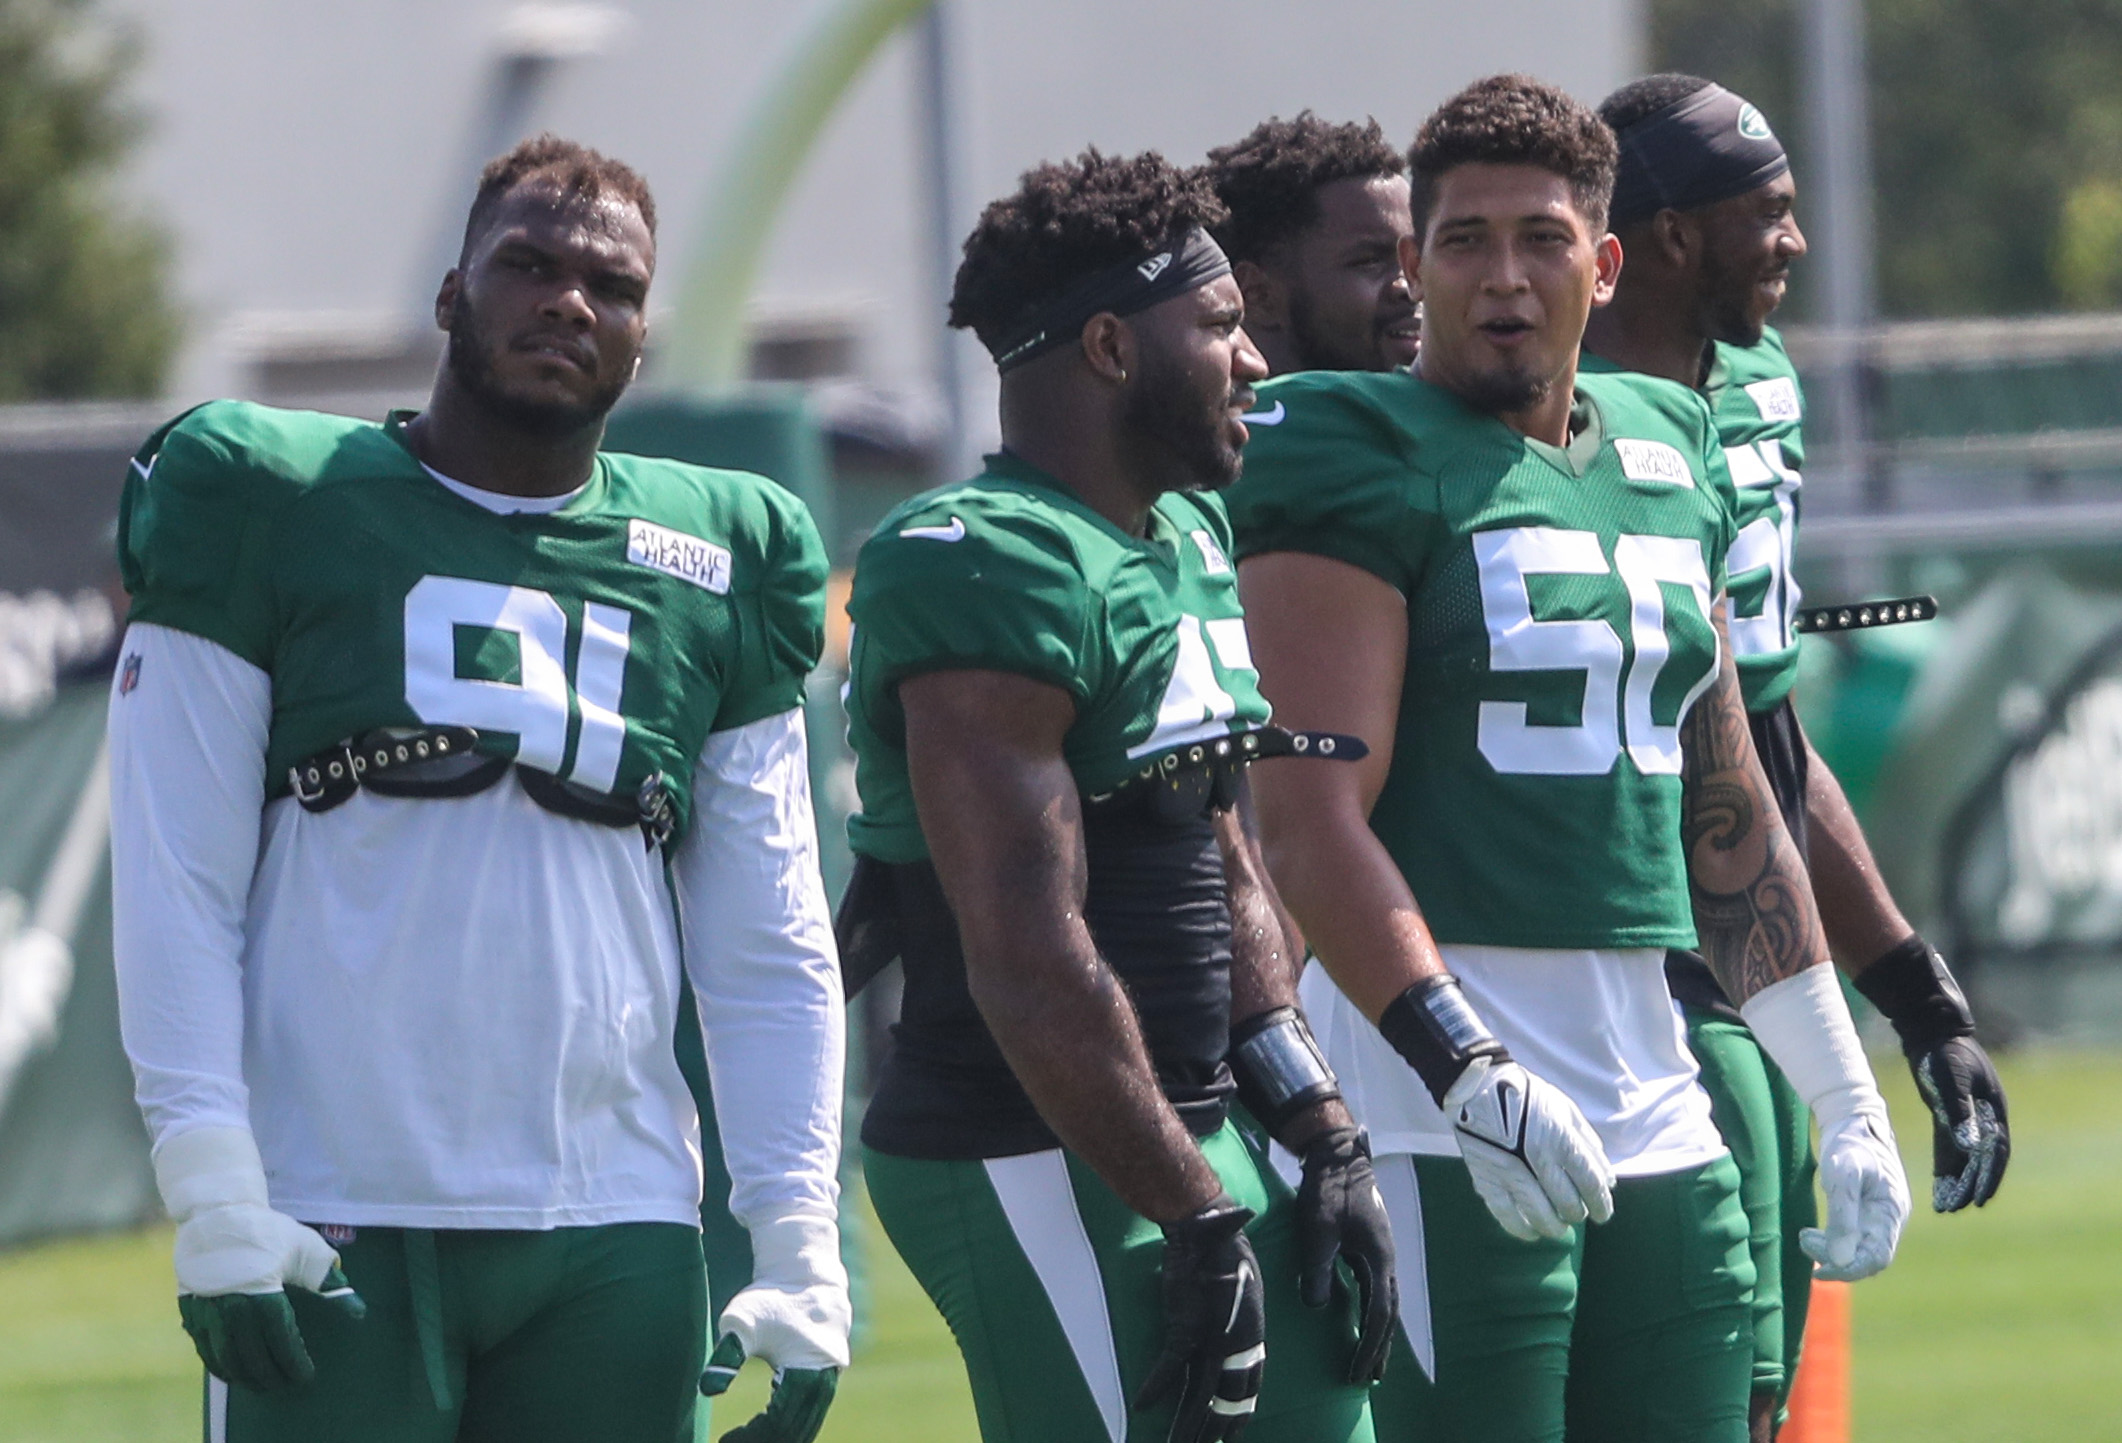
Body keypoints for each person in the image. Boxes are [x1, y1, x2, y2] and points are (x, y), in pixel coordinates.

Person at [108, 136, 849, 1443]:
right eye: (530, 264)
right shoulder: (272, 499)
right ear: (450, 293)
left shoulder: (716, 555)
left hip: (614, 1220)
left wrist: (797, 1232)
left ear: (642, 336)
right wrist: (212, 1180)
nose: (570, 300)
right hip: (333, 1199)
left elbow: (770, 941)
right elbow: (177, 876)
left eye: (612, 286)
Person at [1225, 74, 1911, 1443]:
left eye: (1539, 239)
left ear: (1600, 264)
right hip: (1436, 1107)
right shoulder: (1347, 448)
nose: (1501, 277)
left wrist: (1839, 1081)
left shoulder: (1666, 442)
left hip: (1657, 1091)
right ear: (1416, 266)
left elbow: (1726, 804)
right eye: (1462, 240)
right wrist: (1460, 1064)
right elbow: (1307, 821)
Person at [838, 148, 1392, 1443]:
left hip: (1186, 1128)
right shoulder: (984, 556)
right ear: (1106, 345)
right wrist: (1195, 1211)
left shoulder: (1185, 534)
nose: (1253, 357)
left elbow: (1219, 849)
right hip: (1029, 1139)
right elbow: (1027, 952)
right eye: (1214, 324)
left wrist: (1315, 1119)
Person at [1581, 72, 2011, 1438]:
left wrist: (1914, 992)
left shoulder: (1754, 388)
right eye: (1764, 212)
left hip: (1739, 972)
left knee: (1749, 1392)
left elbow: (1758, 735)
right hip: (1575, 964)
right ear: (1664, 236)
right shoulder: (1542, 411)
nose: (1796, 241)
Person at [1202, 113, 1420, 376]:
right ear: (1258, 296)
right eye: (1369, 261)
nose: (1410, 286)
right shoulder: (1209, 418)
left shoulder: (1445, 409)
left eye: (1416, 258)